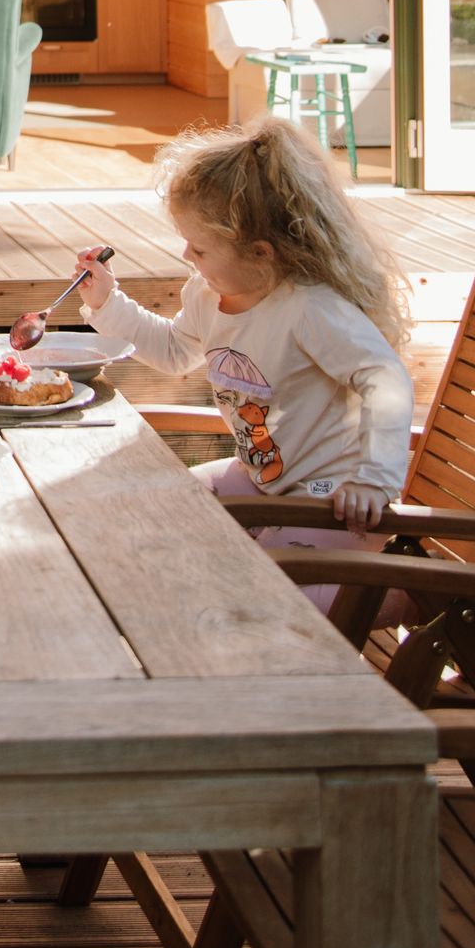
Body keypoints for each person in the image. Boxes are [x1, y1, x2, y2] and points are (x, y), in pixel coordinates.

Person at [74, 116, 415, 596]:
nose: (187, 256)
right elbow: (174, 351)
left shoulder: (309, 308)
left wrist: (374, 480)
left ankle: (399, 601)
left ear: (260, 254)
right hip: (262, 481)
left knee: (261, 593)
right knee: (155, 513)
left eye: (200, 248)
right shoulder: (207, 294)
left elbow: (386, 378)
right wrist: (106, 302)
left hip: (335, 497)